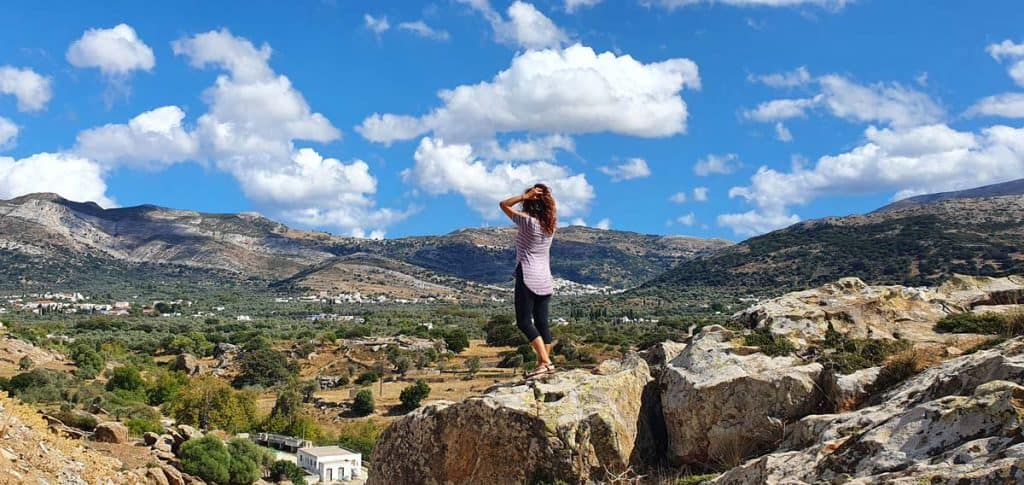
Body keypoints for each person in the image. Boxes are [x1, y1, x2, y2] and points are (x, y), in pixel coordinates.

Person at [499, 183, 557, 379]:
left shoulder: (528, 222)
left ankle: (546, 362)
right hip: (545, 279)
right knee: (542, 323)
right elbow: (552, 209)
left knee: (524, 322)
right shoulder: (551, 226)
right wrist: (543, 197)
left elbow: (504, 204)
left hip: (528, 274)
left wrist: (525, 196)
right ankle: (543, 365)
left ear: (532, 203)